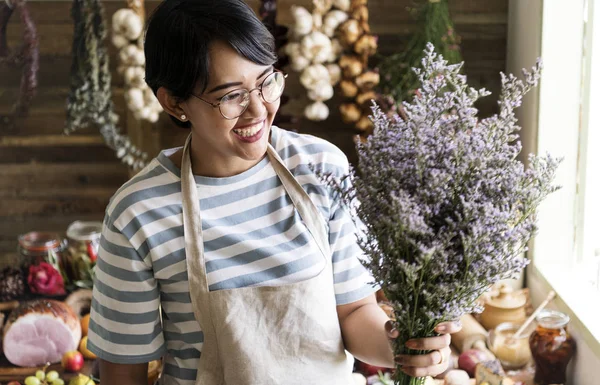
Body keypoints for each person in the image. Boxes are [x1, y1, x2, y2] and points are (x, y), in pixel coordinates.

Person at [87, 0, 461, 384]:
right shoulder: (138, 212)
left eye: (266, 82)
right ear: (174, 102)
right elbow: (123, 375)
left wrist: (403, 349)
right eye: (230, 96)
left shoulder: (321, 167)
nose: (259, 111)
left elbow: (353, 314)